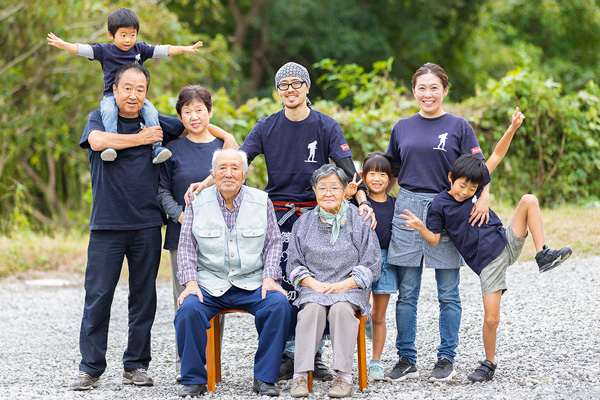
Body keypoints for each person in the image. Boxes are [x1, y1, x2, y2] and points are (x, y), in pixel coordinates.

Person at [185, 62, 375, 381]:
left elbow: (347, 168)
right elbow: (238, 160)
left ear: (306, 87)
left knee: (319, 277)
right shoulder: (266, 126)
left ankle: (313, 354)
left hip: (318, 215)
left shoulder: (326, 126)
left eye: (296, 83)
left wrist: (363, 201)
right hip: (277, 213)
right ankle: (288, 353)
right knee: (285, 283)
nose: (290, 89)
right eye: (283, 85)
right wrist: (205, 184)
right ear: (277, 91)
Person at [399, 107, 572, 383]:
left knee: (529, 200)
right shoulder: (439, 204)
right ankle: (489, 363)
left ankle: (542, 254)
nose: (466, 191)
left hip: (505, 242)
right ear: (450, 179)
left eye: (472, 188)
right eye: (462, 186)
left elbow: (497, 155)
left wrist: (513, 127)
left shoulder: (477, 185)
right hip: (487, 264)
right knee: (492, 319)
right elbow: (433, 239)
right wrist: (420, 227)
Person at [72, 62, 185, 390]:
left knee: (143, 297)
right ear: (115, 90)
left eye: (140, 90)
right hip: (107, 223)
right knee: (98, 295)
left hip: (148, 223)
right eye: (128, 88)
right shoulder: (100, 118)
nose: (133, 95)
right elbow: (95, 141)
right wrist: (141, 139)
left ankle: (135, 365)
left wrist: (227, 136)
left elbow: (192, 126)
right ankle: (90, 367)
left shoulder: (155, 122)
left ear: (146, 94)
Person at [384, 62, 491, 382]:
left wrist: (483, 196)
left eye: (434, 88)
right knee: (407, 292)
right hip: (408, 206)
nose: (427, 94)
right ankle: (406, 358)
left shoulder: (459, 126)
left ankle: (446, 357)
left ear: (445, 90)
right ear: (413, 91)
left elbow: (479, 168)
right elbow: (388, 171)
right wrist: (365, 201)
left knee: (448, 291)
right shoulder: (401, 126)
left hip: (449, 207)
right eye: (421, 88)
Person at [174, 148, 292, 398]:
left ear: (245, 174)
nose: (228, 173)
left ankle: (265, 378)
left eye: (235, 168)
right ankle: (194, 379)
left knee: (279, 304)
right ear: (213, 174)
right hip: (209, 283)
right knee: (188, 310)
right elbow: (186, 247)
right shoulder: (197, 202)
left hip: (252, 282)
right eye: (222, 168)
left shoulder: (261, 201)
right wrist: (190, 283)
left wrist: (270, 277)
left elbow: (273, 243)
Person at [47, 7, 204, 164]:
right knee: (109, 112)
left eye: (132, 35)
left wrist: (184, 49)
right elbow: (84, 49)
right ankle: (111, 147)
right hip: (111, 96)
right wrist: (64, 45)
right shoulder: (104, 50)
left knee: (151, 111)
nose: (128, 40)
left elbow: (162, 50)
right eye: (123, 35)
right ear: (111, 35)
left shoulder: (139, 49)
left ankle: (156, 148)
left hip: (136, 98)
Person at [157, 85, 237, 382]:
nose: (194, 116)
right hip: (181, 235)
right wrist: (178, 215)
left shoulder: (224, 147)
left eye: (199, 110)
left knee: (216, 297)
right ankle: (187, 367)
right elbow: (161, 189)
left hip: (221, 238)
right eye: (187, 111)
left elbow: (235, 184)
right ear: (180, 115)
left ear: (210, 112)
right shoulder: (172, 149)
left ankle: (212, 363)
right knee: (185, 301)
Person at [286, 165, 381, 398]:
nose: (328, 193)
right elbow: (294, 264)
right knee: (311, 311)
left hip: (348, 289)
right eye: (323, 188)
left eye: (334, 188)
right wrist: (314, 284)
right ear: (314, 191)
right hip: (314, 288)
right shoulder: (303, 222)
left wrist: (343, 285)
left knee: (340, 310)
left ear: (344, 191)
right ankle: (300, 376)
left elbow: (372, 263)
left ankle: (343, 376)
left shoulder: (359, 219)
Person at [350, 153, 398, 381]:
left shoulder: (395, 204)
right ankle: (351, 359)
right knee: (358, 313)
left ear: (390, 178)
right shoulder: (356, 203)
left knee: (379, 315)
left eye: (382, 174)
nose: (377, 178)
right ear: (363, 176)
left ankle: (376, 361)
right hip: (361, 262)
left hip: (386, 262)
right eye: (372, 173)